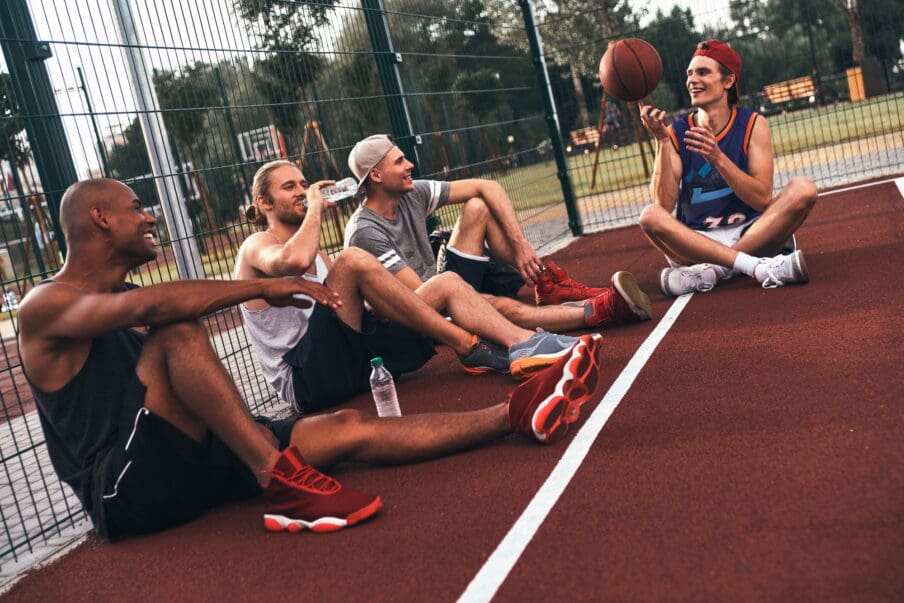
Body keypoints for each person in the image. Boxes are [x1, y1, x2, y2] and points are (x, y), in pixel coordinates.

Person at [16, 178, 604, 540]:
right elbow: (161, 305)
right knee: (176, 334)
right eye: (137, 207)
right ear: (100, 218)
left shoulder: (116, 295)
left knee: (345, 427)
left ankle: (511, 414)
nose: (150, 215)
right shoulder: (45, 306)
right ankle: (277, 478)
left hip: (184, 455)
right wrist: (260, 287)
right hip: (123, 489)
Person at [235, 160, 586, 412]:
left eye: (303, 184)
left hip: (353, 362)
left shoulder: (321, 258)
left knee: (445, 282)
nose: (301, 192)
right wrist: (315, 208)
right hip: (306, 379)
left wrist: (377, 306)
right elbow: (292, 261)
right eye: (289, 187)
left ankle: (522, 343)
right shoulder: (256, 246)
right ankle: (469, 345)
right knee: (351, 259)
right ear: (264, 203)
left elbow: (340, 314)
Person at [341, 135, 652, 333]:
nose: (410, 164)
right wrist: (473, 300)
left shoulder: (411, 194)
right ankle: (599, 312)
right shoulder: (365, 232)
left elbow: (487, 187)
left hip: (438, 284)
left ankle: (543, 281)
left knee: (478, 206)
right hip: (417, 313)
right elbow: (422, 298)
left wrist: (520, 246)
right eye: (399, 162)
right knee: (496, 306)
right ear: (377, 175)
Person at [637, 39, 818, 296]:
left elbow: (761, 199)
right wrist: (662, 142)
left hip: (751, 232)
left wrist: (718, 158)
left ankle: (716, 271)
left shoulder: (752, 124)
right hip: (697, 242)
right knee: (649, 216)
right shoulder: (676, 132)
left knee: (804, 189)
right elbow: (663, 205)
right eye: (690, 73)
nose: (692, 80)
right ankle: (756, 266)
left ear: (728, 80)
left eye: (703, 72)